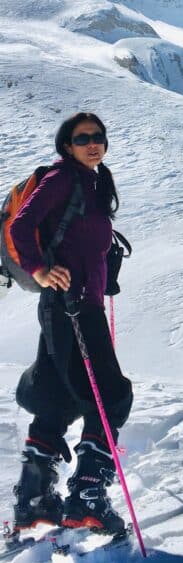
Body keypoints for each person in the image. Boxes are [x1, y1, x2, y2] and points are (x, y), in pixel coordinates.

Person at [9, 112, 133, 535]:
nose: (93, 143)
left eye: (99, 136)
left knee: (54, 395)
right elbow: (23, 224)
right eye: (83, 138)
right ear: (67, 144)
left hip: (73, 304)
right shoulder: (64, 177)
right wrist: (41, 271)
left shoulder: (93, 182)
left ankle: (33, 499)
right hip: (72, 307)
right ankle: (88, 498)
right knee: (109, 395)